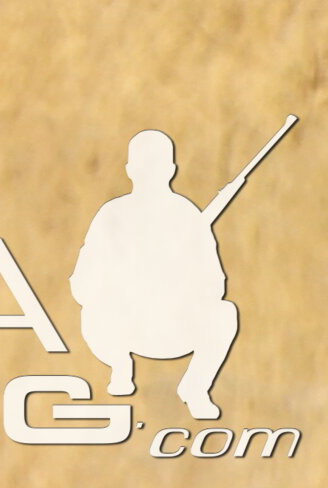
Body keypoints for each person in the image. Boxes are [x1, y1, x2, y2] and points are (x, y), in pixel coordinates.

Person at [79, 129, 242, 423]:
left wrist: (176, 281)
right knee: (92, 312)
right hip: (123, 329)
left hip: (174, 328)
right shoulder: (111, 216)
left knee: (224, 314)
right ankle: (120, 367)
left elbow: (215, 285)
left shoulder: (188, 216)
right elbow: (83, 282)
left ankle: (195, 387)